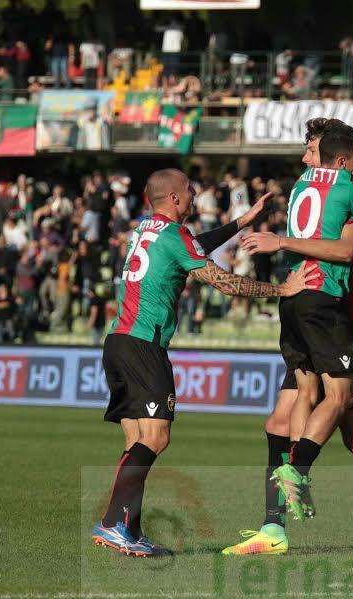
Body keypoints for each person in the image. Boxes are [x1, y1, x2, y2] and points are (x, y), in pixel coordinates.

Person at [231, 118, 353, 558]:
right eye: (308, 152)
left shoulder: (352, 192)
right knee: (285, 423)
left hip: (347, 320)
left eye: (312, 150)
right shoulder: (339, 186)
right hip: (317, 309)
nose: (306, 159)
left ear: (337, 157)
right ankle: (276, 520)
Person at [91, 168, 317, 558]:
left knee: (137, 442)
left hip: (117, 342)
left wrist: (239, 224)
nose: (195, 196)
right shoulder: (175, 235)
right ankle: (113, 522)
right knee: (156, 438)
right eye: (190, 191)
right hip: (144, 346)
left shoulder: (146, 228)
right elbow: (225, 282)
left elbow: (192, 245)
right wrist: (282, 288)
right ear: (175, 198)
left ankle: (128, 528)